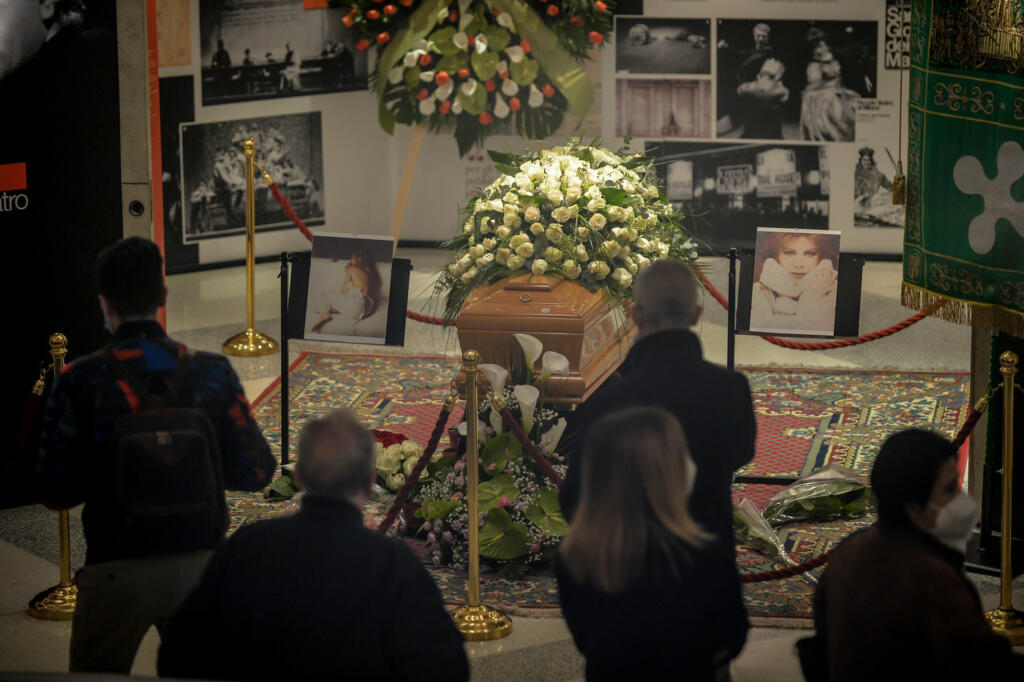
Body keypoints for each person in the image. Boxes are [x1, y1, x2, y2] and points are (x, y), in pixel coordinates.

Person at [36, 237, 276, 673]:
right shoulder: (212, 371)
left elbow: (54, 490)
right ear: (163, 296)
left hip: (114, 567)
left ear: (104, 303)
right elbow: (258, 471)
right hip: (201, 569)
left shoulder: (77, 379)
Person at [158, 409, 469, 681]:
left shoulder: (248, 545)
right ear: (369, 479)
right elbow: (448, 668)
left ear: (302, 476)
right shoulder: (395, 564)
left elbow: (177, 655)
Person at [558, 259, 755, 655]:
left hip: (618, 588)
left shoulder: (610, 400)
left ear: (634, 313)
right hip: (705, 583)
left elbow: (574, 500)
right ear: (698, 315)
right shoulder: (730, 389)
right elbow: (739, 454)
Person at [800, 429, 1024, 681]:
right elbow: (986, 663)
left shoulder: (847, 552)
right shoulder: (932, 581)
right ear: (914, 508)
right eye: (950, 490)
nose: (961, 500)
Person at [557, 407, 749, 681]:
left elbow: (584, 639)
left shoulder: (573, 557)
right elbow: (733, 637)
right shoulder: (707, 554)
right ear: (672, 475)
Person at [749, 230, 838, 335]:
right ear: (776, 256)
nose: (799, 264)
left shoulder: (835, 291)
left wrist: (810, 296)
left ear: (821, 256)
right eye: (789, 253)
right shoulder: (758, 291)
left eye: (810, 253)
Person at [799, 28, 858, 141]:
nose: (819, 49)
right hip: (820, 95)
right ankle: (828, 134)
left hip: (836, 91)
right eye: (816, 47)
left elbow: (837, 75)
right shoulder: (813, 66)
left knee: (852, 102)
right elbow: (815, 83)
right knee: (829, 102)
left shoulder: (833, 60)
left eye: (821, 45)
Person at [734, 23, 788, 139]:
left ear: (768, 38)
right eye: (758, 36)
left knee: (769, 123)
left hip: (766, 94)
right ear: (754, 36)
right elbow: (741, 54)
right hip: (752, 93)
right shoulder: (752, 52)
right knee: (752, 122)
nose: (760, 39)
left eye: (763, 36)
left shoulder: (768, 52)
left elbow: (777, 71)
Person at [310, 249, 381, 334]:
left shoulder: (350, 269)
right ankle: (336, 308)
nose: (350, 261)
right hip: (369, 309)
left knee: (326, 295)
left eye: (351, 258)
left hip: (357, 306)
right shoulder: (370, 271)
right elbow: (373, 291)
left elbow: (343, 289)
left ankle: (325, 314)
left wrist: (347, 269)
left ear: (359, 259)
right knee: (347, 298)